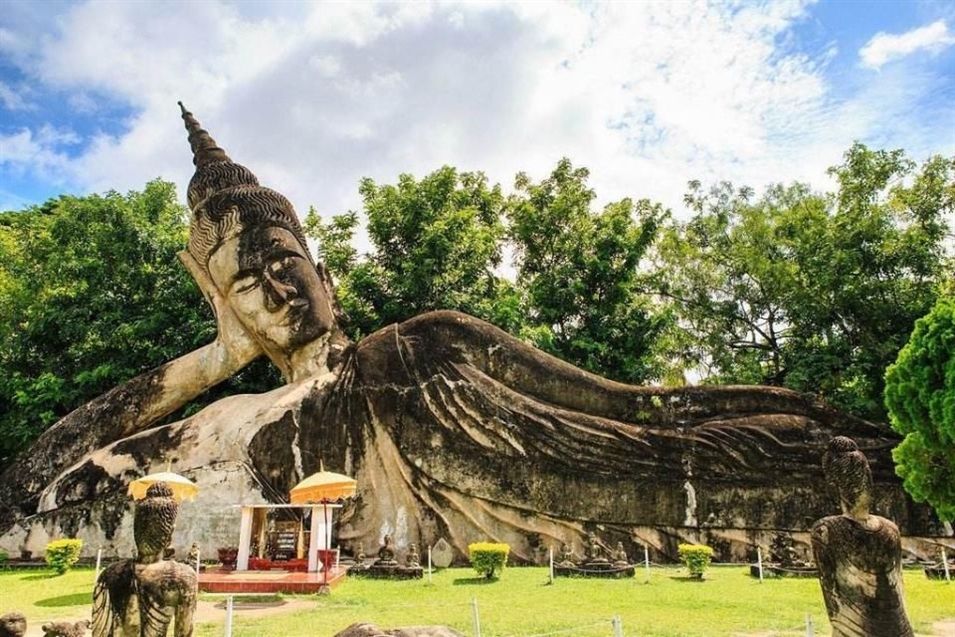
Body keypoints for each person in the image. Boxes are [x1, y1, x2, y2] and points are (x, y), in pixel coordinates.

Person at [0, 105, 930, 564]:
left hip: (591, 473)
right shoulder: (224, 416)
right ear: (223, 300)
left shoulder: (416, 347)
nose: (277, 290)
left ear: (325, 275)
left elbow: (631, 410)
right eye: (247, 283)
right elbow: (30, 489)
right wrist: (215, 357)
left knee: (677, 453)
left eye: (286, 262)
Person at [811, 437, 914, 637]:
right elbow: (899, 588)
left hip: (855, 627)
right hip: (897, 628)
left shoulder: (826, 530)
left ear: (832, 486)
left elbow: (833, 600)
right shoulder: (890, 528)